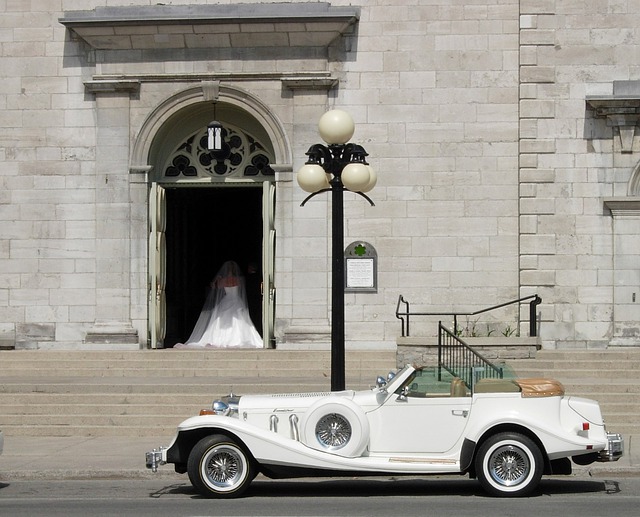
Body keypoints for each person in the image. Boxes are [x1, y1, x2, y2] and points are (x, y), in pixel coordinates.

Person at [175, 260, 263, 348]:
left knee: (220, 319)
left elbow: (215, 288)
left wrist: (216, 280)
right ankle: (240, 338)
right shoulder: (240, 279)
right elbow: (242, 290)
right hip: (237, 300)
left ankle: (217, 338)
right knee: (241, 319)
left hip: (226, 299)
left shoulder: (222, 280)